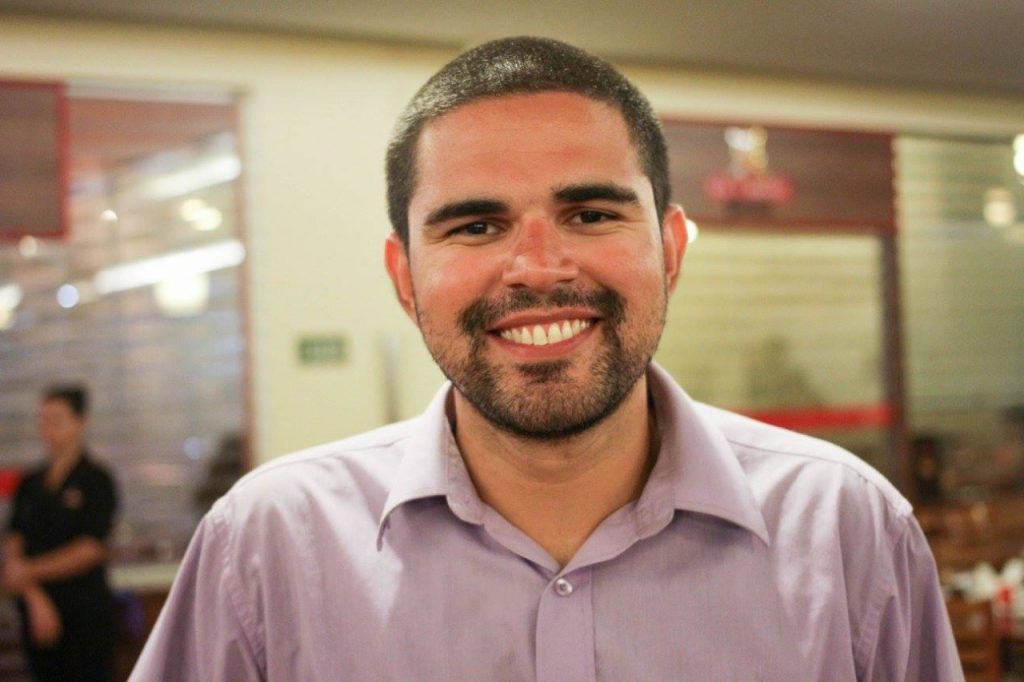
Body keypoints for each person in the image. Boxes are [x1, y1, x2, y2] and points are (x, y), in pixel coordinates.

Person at [131, 37, 961, 681]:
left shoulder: (846, 530)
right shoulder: (270, 547)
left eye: (591, 215)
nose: (537, 268)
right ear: (404, 278)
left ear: (671, 250)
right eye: (476, 226)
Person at [4, 385, 119, 682]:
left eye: (56, 419)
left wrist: (29, 571)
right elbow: (15, 542)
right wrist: (34, 596)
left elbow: (91, 548)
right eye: (42, 420)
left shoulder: (96, 480)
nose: (46, 428)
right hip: (36, 612)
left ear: (81, 422)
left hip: (84, 612)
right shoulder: (30, 483)